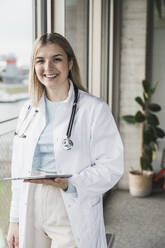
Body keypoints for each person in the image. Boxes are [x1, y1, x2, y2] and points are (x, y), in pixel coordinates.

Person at [7, 32, 124, 248]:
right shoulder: (28, 110)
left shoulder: (94, 109)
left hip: (69, 200)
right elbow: (18, 168)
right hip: (31, 200)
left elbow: (112, 166)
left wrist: (71, 183)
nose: (48, 67)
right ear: (34, 67)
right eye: (40, 60)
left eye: (56, 59)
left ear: (70, 63)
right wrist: (14, 219)